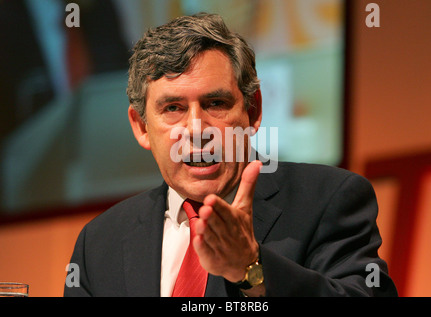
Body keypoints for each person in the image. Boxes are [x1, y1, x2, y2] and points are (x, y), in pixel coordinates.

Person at [64, 13, 397, 297]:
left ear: (253, 111)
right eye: (173, 108)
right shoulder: (98, 244)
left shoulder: (328, 200)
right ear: (141, 127)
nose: (196, 129)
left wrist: (252, 269)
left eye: (215, 103)